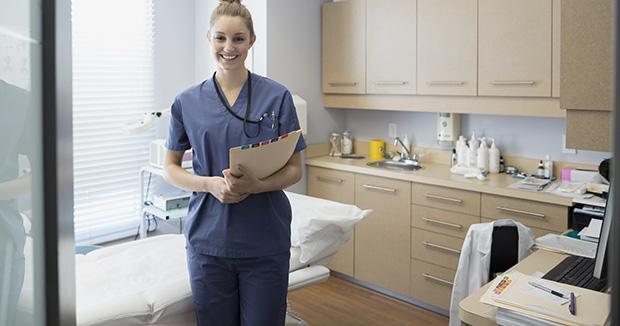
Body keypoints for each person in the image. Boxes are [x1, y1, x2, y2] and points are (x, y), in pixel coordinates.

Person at [163, 0, 306, 325]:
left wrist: (258, 186)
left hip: (264, 242)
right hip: (208, 243)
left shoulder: (278, 97)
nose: (229, 48)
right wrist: (209, 184)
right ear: (209, 38)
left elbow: (295, 168)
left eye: (239, 38)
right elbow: (171, 168)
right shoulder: (187, 101)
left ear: (252, 40)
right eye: (221, 38)